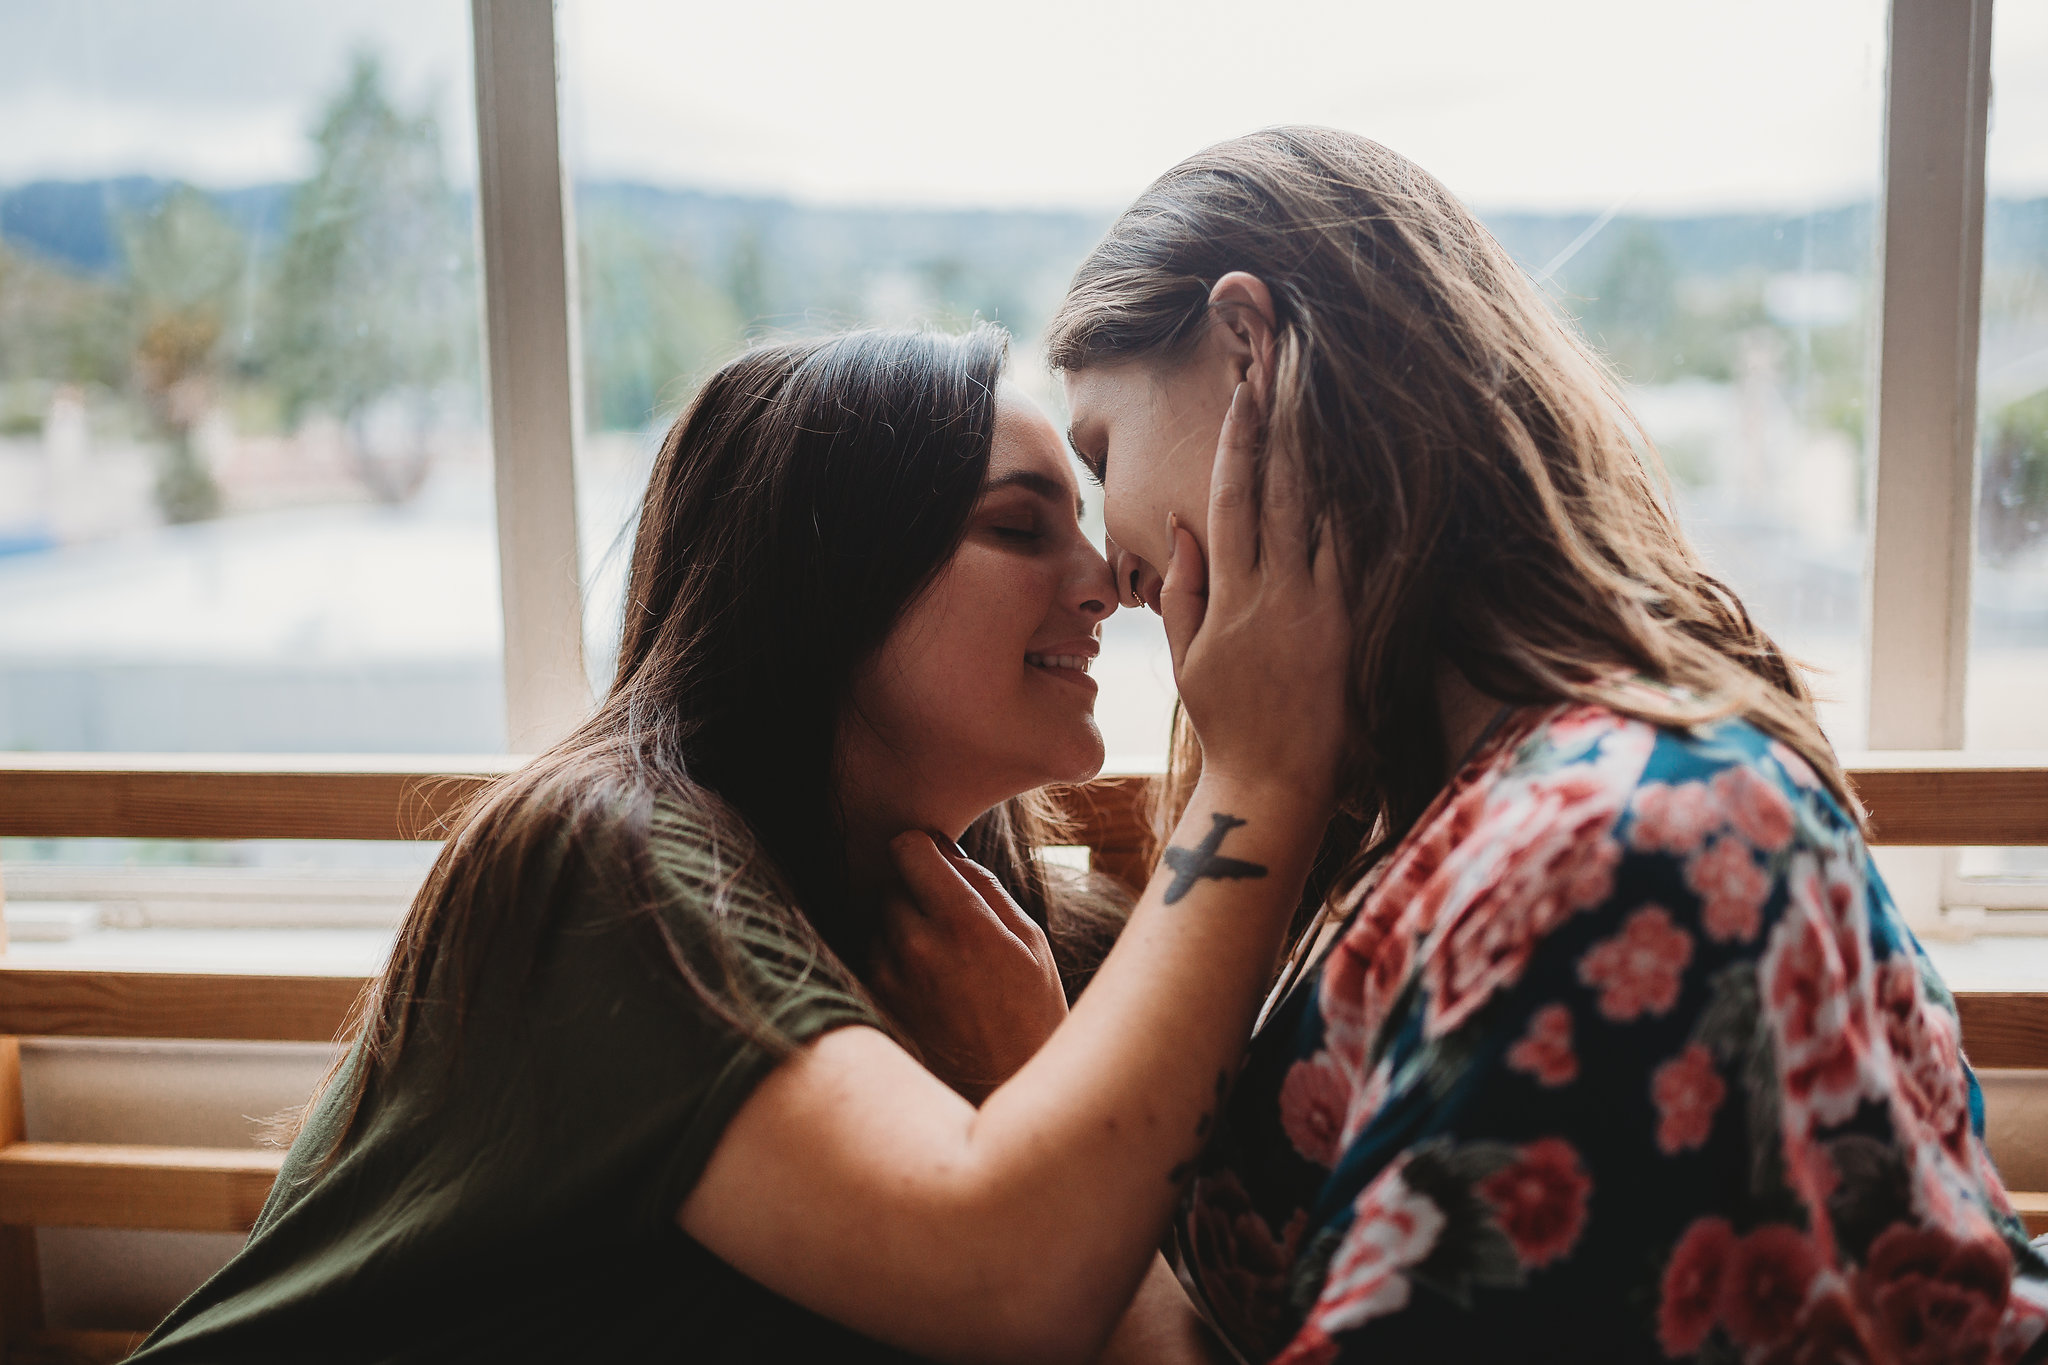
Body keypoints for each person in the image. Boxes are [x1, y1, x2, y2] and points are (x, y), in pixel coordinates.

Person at [128, 324, 1349, 1363]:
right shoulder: (602, 862)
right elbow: (1015, 1281)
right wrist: (1255, 770)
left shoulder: (987, 951)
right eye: (1021, 528)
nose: (1105, 582)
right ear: (827, 576)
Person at [1049, 126, 2048, 1364]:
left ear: (1250, 355)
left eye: (1100, 455)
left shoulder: (1612, 849)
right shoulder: (1460, 794)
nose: (1110, 565)